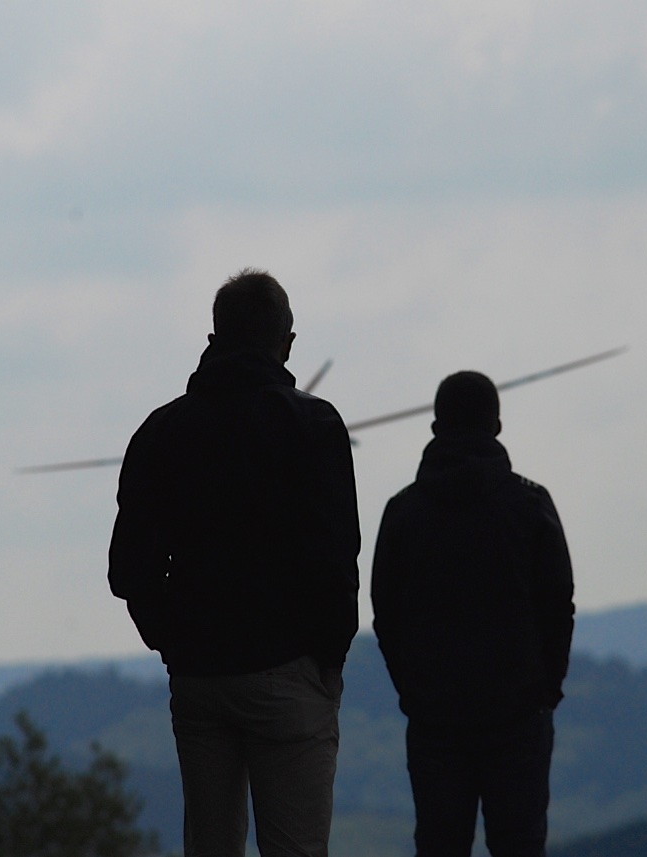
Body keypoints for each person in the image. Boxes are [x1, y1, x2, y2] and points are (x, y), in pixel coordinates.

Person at [108, 269, 361, 857]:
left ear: (214, 337)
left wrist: (172, 641)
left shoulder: (161, 431)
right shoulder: (314, 425)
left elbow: (129, 568)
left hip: (199, 676)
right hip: (289, 670)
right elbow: (336, 557)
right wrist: (327, 659)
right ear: (286, 343)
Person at [371, 370, 575, 857]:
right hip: (519, 713)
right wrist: (544, 691)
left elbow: (386, 616)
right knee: (520, 844)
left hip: (434, 718)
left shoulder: (403, 512)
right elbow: (558, 607)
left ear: (435, 427)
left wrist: (414, 692)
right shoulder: (530, 505)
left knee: (439, 844)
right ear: (496, 426)